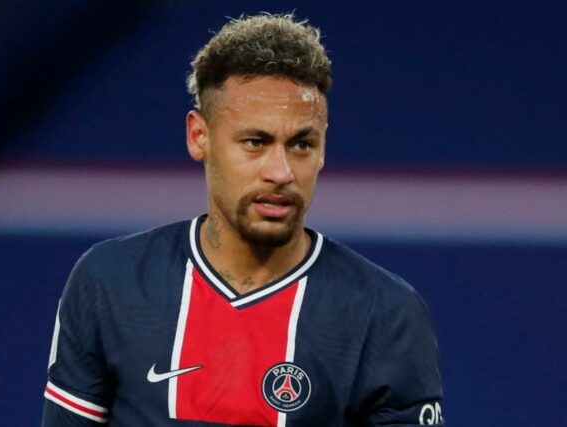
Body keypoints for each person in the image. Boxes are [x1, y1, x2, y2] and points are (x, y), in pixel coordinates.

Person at [41, 13, 444, 426]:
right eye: (255, 142)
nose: (281, 172)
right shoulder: (108, 283)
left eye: (302, 144)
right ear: (199, 136)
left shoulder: (386, 314)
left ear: (323, 148)